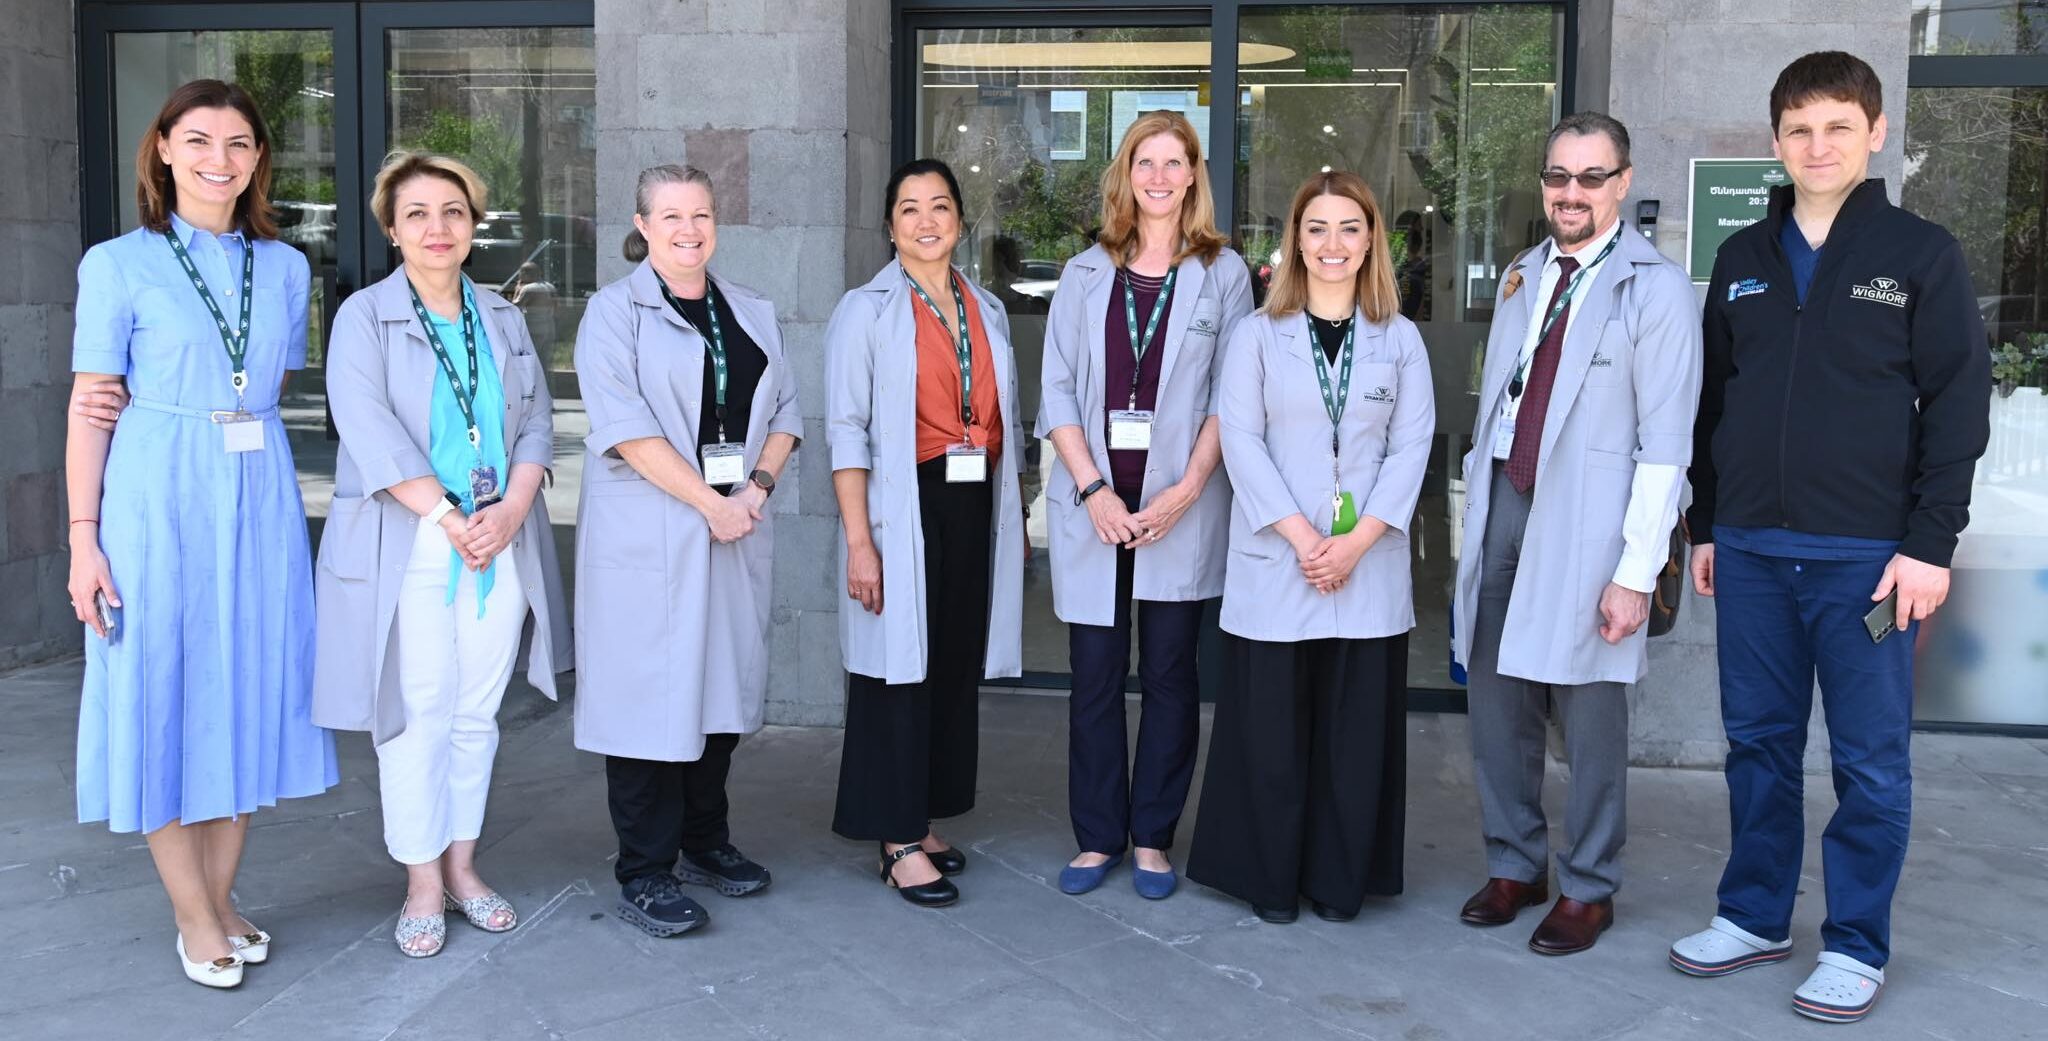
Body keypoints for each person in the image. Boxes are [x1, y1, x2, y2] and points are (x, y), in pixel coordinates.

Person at [1671, 52, 1990, 1024]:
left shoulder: (1919, 253)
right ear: (1775, 141)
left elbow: (1956, 406)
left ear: (1875, 132)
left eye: (1838, 127)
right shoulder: (1741, 258)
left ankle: (1854, 941)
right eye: (1799, 129)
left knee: (1867, 760)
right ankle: (1753, 915)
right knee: (1756, 744)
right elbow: (1712, 404)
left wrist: (1929, 544)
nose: (1818, 146)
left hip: (1869, 560)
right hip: (1750, 549)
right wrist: (1706, 524)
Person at [66, 79, 339, 989]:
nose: (219, 160)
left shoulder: (287, 268)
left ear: (259, 159)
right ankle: (193, 915)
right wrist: (83, 538)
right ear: (163, 149)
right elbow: (91, 407)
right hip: (156, 494)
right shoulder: (118, 263)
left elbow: (262, 382)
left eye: (238, 144)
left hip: (257, 493)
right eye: (198, 141)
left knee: (248, 687)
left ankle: (219, 900)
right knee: (160, 688)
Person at [1448, 111, 1701, 956]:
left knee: (1590, 707)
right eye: (1559, 176)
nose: (1572, 192)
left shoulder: (1656, 290)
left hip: (1594, 517)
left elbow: (1666, 444)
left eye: (1592, 177)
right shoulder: (1524, 273)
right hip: (1505, 496)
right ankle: (1515, 862)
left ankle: (1589, 883)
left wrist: (1635, 571)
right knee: (1495, 692)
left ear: (1622, 183)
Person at [312, 151, 569, 958]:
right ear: (392, 229)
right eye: (417, 213)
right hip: (417, 538)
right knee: (416, 710)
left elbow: (537, 418)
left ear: (473, 225)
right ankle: (421, 879)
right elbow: (368, 427)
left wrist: (514, 506)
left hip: (499, 539)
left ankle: (462, 865)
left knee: (476, 712)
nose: (437, 227)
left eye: (453, 211)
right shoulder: (364, 316)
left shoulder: (502, 315)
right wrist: (453, 517)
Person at [1185, 170, 1433, 923]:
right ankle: (1270, 879)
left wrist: (1355, 542)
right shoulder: (1257, 335)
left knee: (1353, 737)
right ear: (1295, 239)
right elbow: (1242, 441)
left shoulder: (1400, 339)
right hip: (1280, 560)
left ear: (1371, 240)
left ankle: (1338, 880)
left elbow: (1412, 447)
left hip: (1365, 563)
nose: (1333, 244)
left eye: (1349, 228)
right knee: (1272, 735)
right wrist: (1304, 539)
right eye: (1317, 227)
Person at [572, 164, 800, 937]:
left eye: (700, 214)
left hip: (734, 524)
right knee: (645, 700)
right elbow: (627, 429)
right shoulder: (613, 314)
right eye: (670, 216)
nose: (688, 229)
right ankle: (645, 868)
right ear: (642, 225)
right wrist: (712, 504)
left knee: (718, 692)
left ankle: (705, 839)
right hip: (652, 534)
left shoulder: (752, 310)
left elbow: (787, 411)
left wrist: (755, 491)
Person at [1037, 110, 1252, 898]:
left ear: (1194, 174)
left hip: (1177, 507)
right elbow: (1057, 387)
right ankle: (1099, 836)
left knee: (1169, 673)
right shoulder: (1084, 271)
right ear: (1126, 174)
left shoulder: (1224, 273)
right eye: (1144, 162)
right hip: (1095, 503)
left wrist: (1188, 489)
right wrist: (1092, 488)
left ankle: (1154, 836)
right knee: (1094, 675)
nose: (1159, 177)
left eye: (1173, 162)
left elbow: (1232, 395)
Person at [826, 158, 1026, 907]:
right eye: (909, 208)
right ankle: (897, 840)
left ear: (960, 221)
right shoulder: (865, 310)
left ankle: (924, 814)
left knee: (948, 665)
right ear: (890, 226)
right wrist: (860, 542)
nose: (926, 220)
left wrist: (1013, 516)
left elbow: (1003, 419)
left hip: (973, 503)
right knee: (896, 671)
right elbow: (846, 431)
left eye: (940, 205)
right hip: (902, 505)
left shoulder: (985, 308)